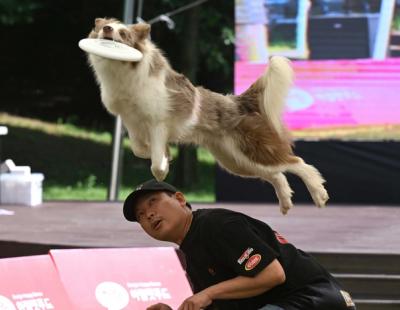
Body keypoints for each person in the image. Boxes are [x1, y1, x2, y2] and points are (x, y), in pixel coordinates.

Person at [123, 179, 356, 310]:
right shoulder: (192, 253)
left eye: (153, 202)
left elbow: (272, 275)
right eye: (141, 215)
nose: (149, 215)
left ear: (180, 199)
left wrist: (206, 294)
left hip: (317, 299)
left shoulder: (217, 224)